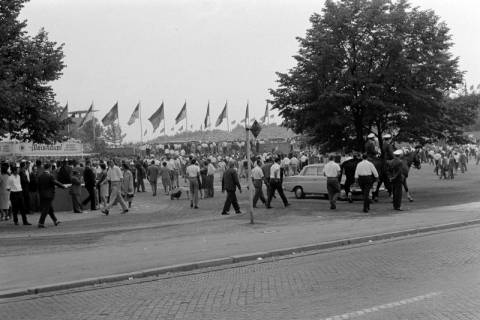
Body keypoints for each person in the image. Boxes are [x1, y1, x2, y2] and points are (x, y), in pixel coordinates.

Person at [37, 163, 67, 228]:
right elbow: (55, 182)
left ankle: (55, 220)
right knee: (46, 209)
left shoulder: (40, 176)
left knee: (49, 208)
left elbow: (38, 186)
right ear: (49, 168)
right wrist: (63, 186)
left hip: (42, 195)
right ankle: (41, 223)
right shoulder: (50, 176)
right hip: (49, 195)